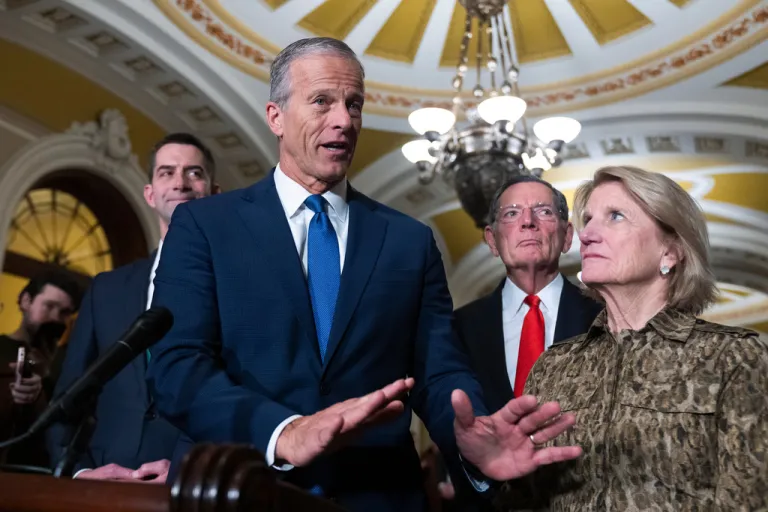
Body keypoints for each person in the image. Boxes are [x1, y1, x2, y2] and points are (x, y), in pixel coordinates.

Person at [147, 37, 581, 511]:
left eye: (354, 104)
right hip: (240, 488)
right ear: (276, 116)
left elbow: (439, 371)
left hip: (377, 496)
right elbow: (177, 367)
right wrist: (282, 432)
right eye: (322, 102)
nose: (343, 120)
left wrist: (471, 434)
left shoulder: (408, 241)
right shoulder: (206, 226)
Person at [499, 165, 768, 510]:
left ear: (670, 252)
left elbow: (750, 500)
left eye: (615, 216)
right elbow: (526, 502)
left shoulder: (731, 358)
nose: (587, 235)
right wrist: (502, 474)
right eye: (589, 219)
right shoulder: (553, 366)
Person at [47, 133, 219, 483]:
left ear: (214, 193)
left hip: (188, 488)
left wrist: (188, 471)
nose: (180, 183)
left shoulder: (239, 287)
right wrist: (78, 473)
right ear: (150, 193)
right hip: (100, 486)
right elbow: (68, 397)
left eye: (194, 172)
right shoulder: (106, 290)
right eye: (167, 172)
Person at [454, 176, 603, 413]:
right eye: (511, 214)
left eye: (543, 211)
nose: (528, 222)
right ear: (492, 240)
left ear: (567, 237)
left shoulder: (605, 316)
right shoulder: (457, 327)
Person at [0, 271, 81, 465]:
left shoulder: (66, 364)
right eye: (49, 306)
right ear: (26, 301)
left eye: (64, 312)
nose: (55, 318)